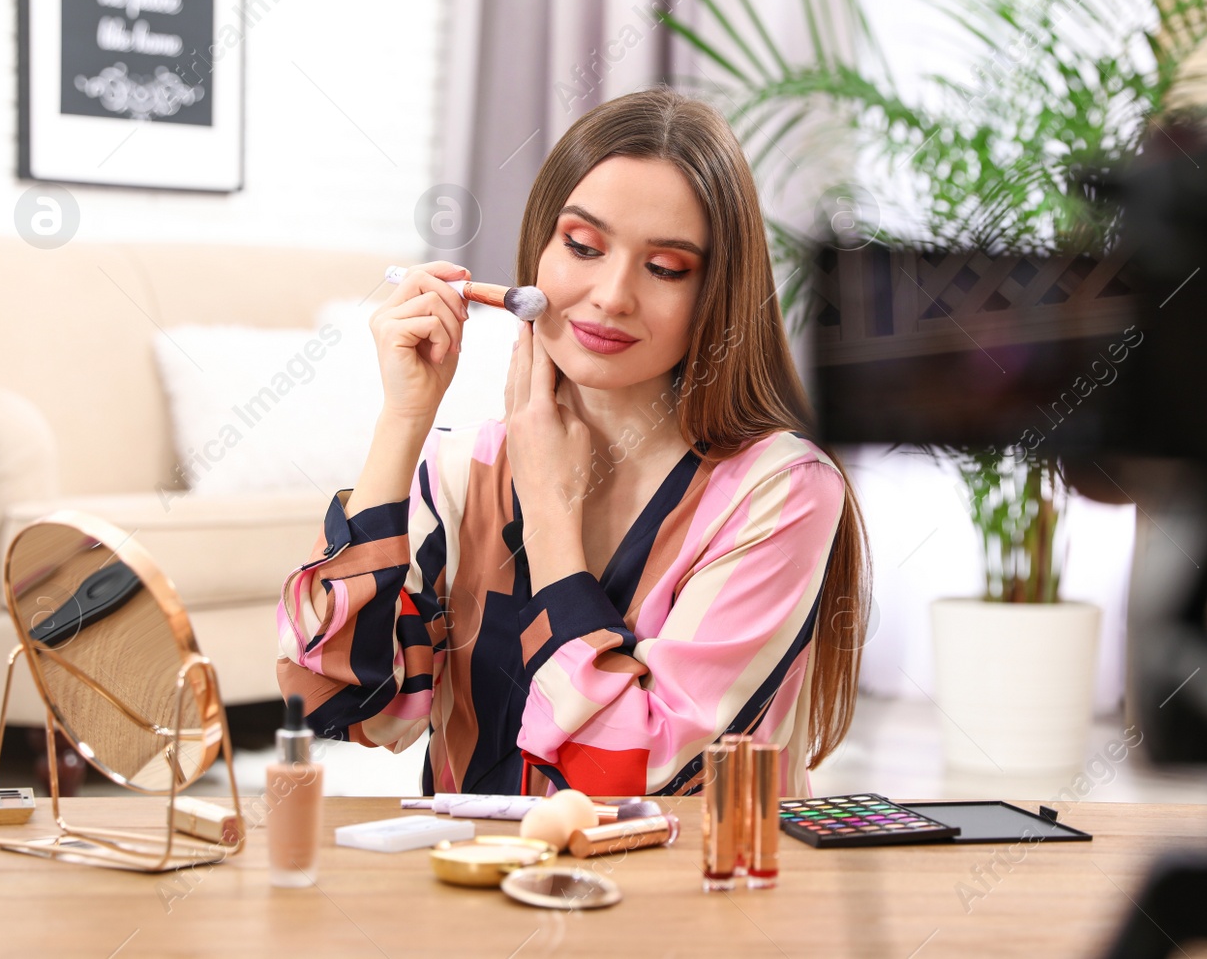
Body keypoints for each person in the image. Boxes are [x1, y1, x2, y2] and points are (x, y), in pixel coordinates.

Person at [276, 87, 870, 797]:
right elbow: (336, 707)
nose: (612, 294)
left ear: (717, 292)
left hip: (670, 903)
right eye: (583, 247)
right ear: (538, 252)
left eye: (666, 268)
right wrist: (404, 422)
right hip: (468, 895)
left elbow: (636, 776)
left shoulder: (782, 492)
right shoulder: (463, 468)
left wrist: (553, 521)